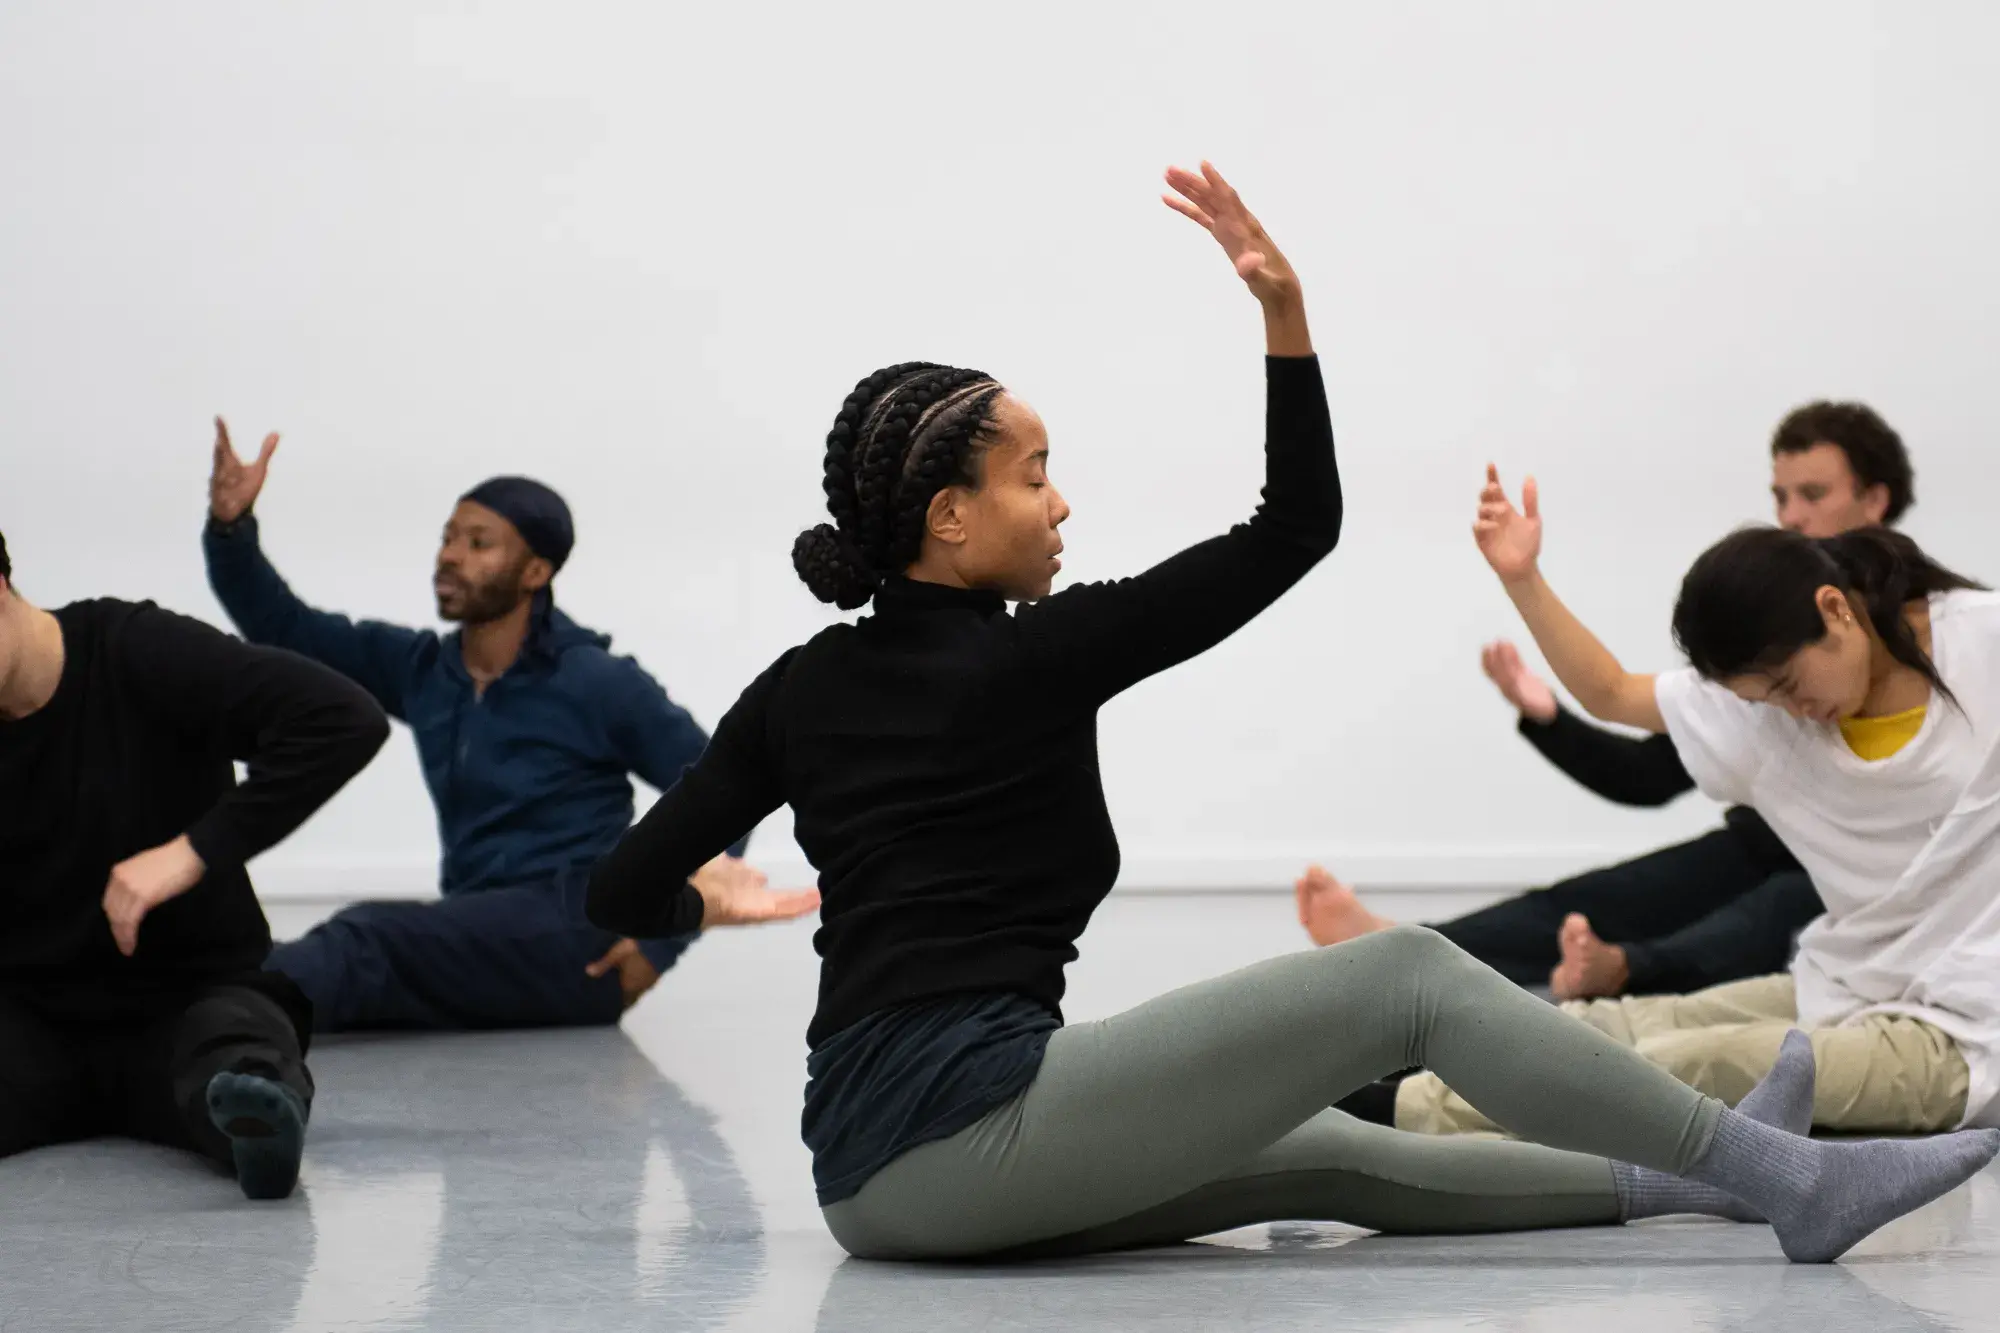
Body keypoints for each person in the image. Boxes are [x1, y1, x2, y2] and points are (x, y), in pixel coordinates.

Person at [581, 163, 1996, 1264]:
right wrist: (1282, 311)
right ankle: (1795, 1180)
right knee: (1403, 980)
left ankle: (1713, 1179)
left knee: (1328, 1149)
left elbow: (622, 887)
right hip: (961, 1133)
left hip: (872, 1177)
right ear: (951, 519)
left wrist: (716, 890)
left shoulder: (799, 687)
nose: (1059, 499)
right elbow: (1292, 528)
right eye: (1033, 473)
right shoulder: (1038, 655)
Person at [1385, 466, 2000, 1139]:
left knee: (1696, 1062)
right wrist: (1522, 578)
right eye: (1762, 698)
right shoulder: (1766, 712)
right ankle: (1354, 1072)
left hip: (1966, 1040)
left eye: (1791, 684)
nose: (1793, 709)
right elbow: (1612, 692)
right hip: (1849, 986)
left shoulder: (1980, 644)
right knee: (1606, 1025)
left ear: (1835, 608)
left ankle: (1382, 1116)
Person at [1298, 401, 1917, 999]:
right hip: (1766, 847)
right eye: (1780, 497)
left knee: (1773, 910)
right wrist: (1547, 715)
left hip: (1870, 880)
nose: (1791, 517)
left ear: (1875, 498)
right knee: (1595, 901)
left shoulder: (1933, 635)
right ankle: (1407, 953)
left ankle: (1617, 971)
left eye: (1813, 494)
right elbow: (1643, 766)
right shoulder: (1762, 642)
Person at [202, 439, 755, 1031]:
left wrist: (662, 941)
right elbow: (287, 627)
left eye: (478, 543)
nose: (450, 556)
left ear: (535, 571)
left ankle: (216, 1020)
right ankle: (200, 1027)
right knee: (335, 986)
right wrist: (231, 529)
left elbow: (725, 793)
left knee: (364, 939)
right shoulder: (426, 671)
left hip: (575, 932)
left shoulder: (594, 680)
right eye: (447, 538)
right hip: (481, 934)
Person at [0, 528, 388, 1198]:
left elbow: (341, 717)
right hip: (31, 1024)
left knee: (236, 1041)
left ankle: (257, 1126)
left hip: (186, 998)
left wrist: (194, 851)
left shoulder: (134, 649)